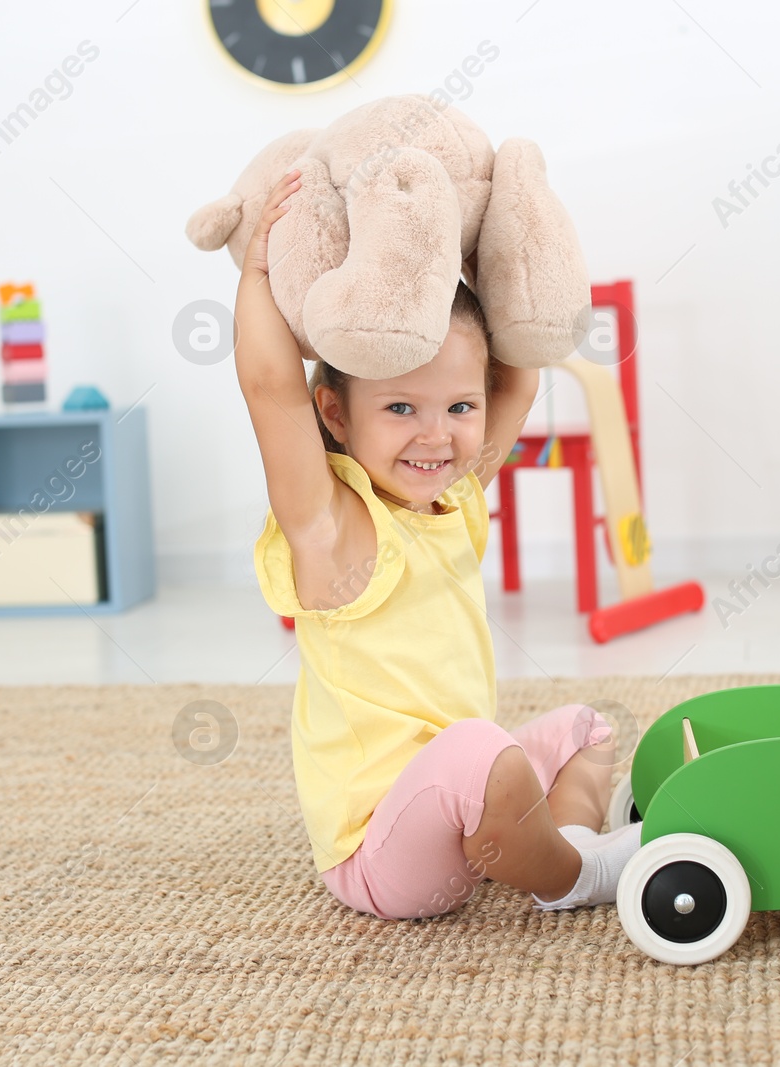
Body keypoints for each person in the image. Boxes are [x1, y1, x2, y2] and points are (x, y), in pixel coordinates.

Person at [236, 167, 642, 920]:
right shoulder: (332, 526)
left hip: (455, 805)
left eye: (460, 405)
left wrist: (499, 239)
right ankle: (571, 881)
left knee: (588, 728)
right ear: (335, 413)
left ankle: (570, 843)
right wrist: (259, 272)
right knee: (481, 753)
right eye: (399, 407)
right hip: (380, 856)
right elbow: (268, 388)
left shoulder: (452, 498)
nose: (437, 434)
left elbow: (518, 379)